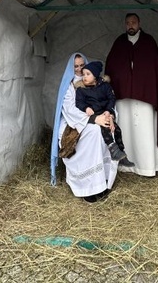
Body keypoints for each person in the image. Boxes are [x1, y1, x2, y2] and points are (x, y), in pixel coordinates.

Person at [105, 13, 158, 176]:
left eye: (133, 22)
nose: (131, 25)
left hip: (146, 98)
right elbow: (112, 67)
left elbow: (155, 70)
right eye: (128, 23)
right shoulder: (119, 43)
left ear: (139, 23)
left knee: (145, 131)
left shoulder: (149, 42)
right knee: (125, 130)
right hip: (123, 98)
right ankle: (125, 166)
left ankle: (147, 166)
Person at [50, 53, 118, 203]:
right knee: (93, 133)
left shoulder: (96, 82)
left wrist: (109, 116)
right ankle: (87, 187)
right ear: (71, 68)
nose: (80, 69)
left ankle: (102, 182)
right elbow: (70, 110)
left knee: (107, 131)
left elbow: (108, 99)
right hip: (74, 121)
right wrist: (93, 119)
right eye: (76, 66)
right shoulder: (70, 85)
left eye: (82, 65)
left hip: (98, 116)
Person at [75, 60, 134, 166]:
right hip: (95, 115)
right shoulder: (81, 90)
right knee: (105, 128)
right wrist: (86, 108)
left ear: (95, 75)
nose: (84, 77)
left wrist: (108, 111)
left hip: (105, 112)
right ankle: (113, 149)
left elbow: (111, 98)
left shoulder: (105, 86)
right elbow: (79, 102)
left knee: (117, 130)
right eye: (83, 74)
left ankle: (122, 154)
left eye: (88, 74)